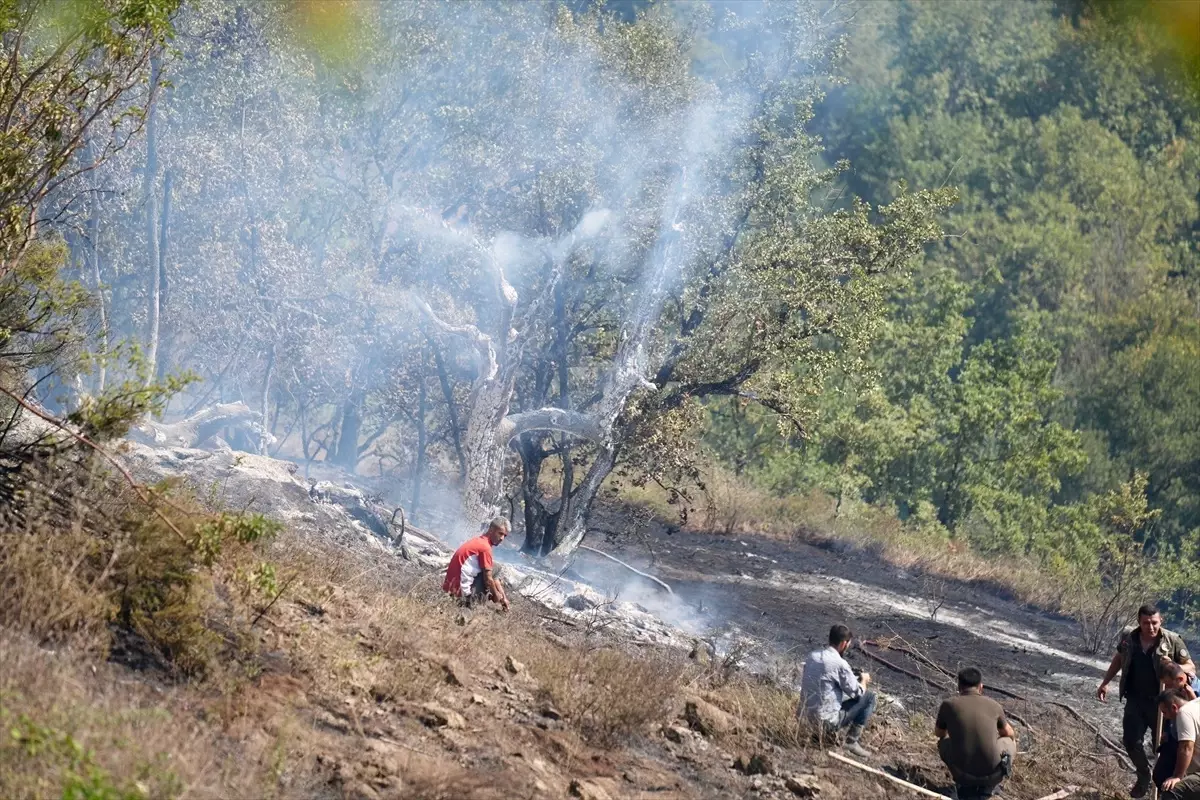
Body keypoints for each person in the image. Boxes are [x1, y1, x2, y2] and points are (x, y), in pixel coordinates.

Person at [1097, 603, 1197, 798]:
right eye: (1146, 623)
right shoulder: (1129, 638)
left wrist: (1173, 665)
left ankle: (1166, 790)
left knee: (1162, 746)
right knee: (1130, 740)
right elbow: (1119, 658)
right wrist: (1105, 682)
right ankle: (1143, 775)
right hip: (1135, 698)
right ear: (1139, 622)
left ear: (1161, 621)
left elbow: (1190, 667)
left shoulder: (1172, 640)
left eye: (1154, 623)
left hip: (1163, 703)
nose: (1150, 627)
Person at [935, 667, 1016, 800]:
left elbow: (938, 733)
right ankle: (995, 781)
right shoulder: (994, 705)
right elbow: (1008, 733)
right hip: (992, 774)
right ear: (981, 687)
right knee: (1009, 740)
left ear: (959, 686)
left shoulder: (948, 705)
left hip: (962, 773)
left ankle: (964, 784)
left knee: (943, 742)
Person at [799, 624, 877, 758]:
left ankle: (817, 737)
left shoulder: (812, 656)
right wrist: (863, 680)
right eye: (848, 644)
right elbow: (857, 692)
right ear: (843, 644)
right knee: (869, 697)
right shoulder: (840, 664)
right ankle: (851, 741)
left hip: (803, 718)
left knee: (829, 697)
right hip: (825, 722)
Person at [442, 517, 510, 611]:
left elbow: (494, 577)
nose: (502, 538)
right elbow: (488, 579)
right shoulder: (485, 548)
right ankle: (471, 607)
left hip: (449, 586)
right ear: (491, 530)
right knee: (488, 578)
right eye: (500, 533)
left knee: (496, 567)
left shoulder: (479, 541)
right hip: (460, 591)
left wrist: (502, 596)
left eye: (505, 536)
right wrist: (495, 595)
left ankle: (479, 599)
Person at [1156, 662, 1200, 790]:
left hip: (1189, 749)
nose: (1167, 687)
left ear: (1179, 679)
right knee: (1160, 776)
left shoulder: (1187, 708)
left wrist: (1178, 776)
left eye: (1168, 684)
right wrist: (1167, 732)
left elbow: (1186, 747)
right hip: (1176, 741)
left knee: (1174, 790)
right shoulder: (1178, 697)